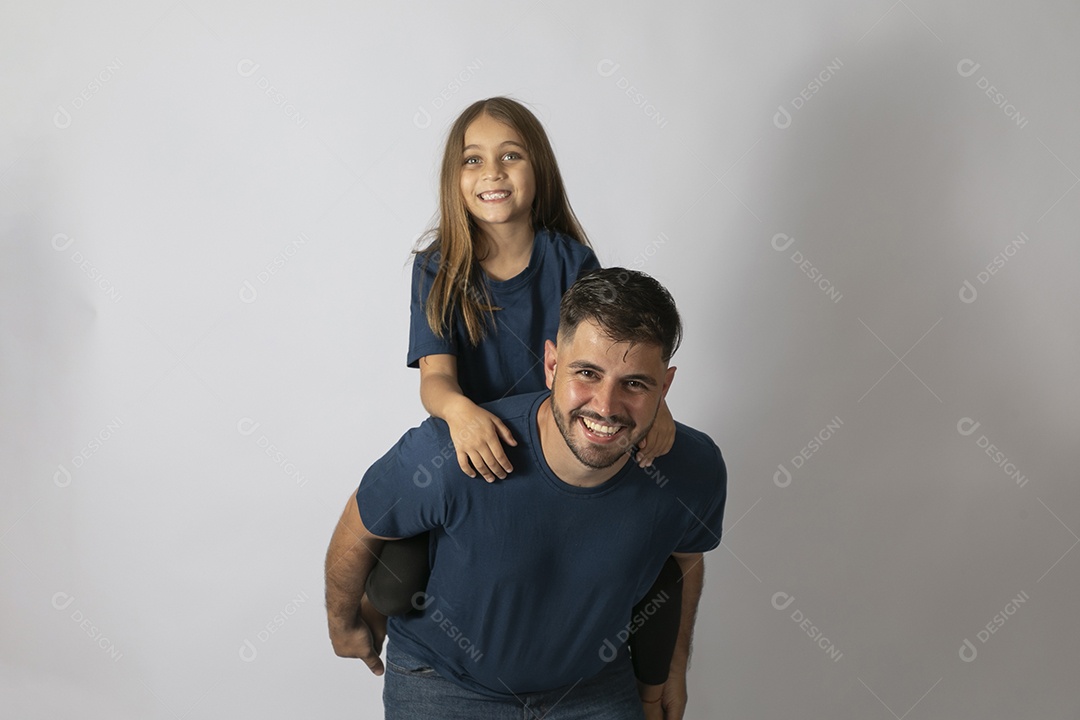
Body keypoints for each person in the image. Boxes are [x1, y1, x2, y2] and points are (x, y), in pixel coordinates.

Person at [364, 97, 681, 702]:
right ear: (455, 180)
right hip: (477, 455)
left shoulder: (569, 260)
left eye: (510, 156)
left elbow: (611, 354)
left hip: (561, 447)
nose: (493, 173)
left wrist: (658, 410)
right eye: (473, 160)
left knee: (641, 562)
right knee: (394, 587)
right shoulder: (438, 267)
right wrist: (460, 413)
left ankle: (644, 683)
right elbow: (435, 380)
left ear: (538, 169)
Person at [326, 268, 727, 720]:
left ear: (666, 386)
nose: (606, 406)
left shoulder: (694, 469)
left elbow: (684, 561)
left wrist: (672, 672)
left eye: (634, 383)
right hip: (443, 686)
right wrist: (341, 624)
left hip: (591, 688)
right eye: (587, 373)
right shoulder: (449, 457)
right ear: (552, 365)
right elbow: (362, 518)